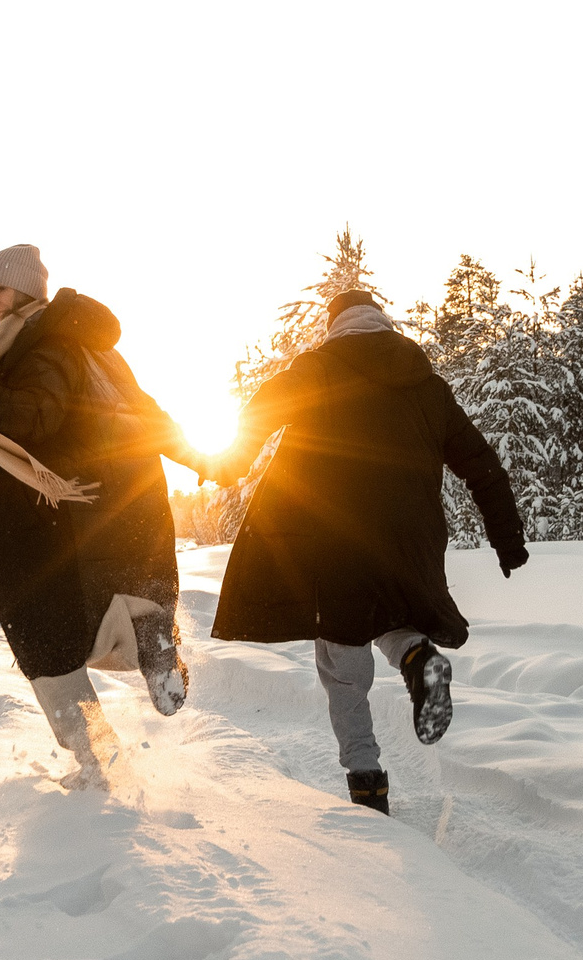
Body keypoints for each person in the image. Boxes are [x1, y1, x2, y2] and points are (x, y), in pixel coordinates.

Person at [206, 287, 528, 814]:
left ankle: (366, 780)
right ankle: (417, 656)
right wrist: (507, 539)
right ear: (382, 323)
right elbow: (481, 464)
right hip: (411, 540)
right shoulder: (427, 386)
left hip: (334, 536)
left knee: (341, 661)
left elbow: (260, 411)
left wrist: (227, 463)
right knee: (391, 615)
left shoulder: (317, 370)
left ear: (336, 326)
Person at [0, 243, 207, 785]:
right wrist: (200, 455)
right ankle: (151, 635)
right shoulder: (84, 344)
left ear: (28, 290)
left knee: (46, 642)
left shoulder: (42, 346)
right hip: (120, 505)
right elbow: (143, 412)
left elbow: (37, 417)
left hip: (61, 515)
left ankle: (98, 763)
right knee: (90, 613)